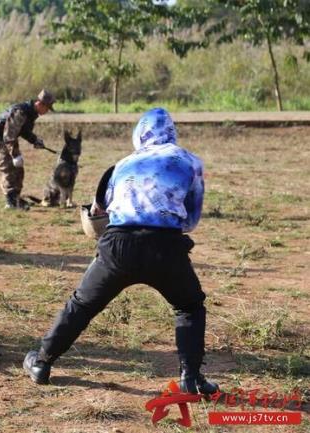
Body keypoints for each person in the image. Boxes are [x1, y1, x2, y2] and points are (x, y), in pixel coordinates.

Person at [23, 108, 219, 395]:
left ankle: (41, 362)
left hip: (118, 246)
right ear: (172, 134)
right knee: (189, 307)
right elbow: (191, 220)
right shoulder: (190, 162)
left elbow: (97, 212)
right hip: (166, 248)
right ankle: (190, 379)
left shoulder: (121, 165)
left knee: (81, 304)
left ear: (139, 135)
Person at [0, 89, 55, 210]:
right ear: (40, 104)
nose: (47, 111)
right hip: (0, 135)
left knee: (19, 169)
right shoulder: (21, 112)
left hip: (9, 136)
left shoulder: (31, 113)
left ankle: (16, 198)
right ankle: (10, 202)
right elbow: (9, 135)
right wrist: (15, 154)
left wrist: (35, 140)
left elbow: (23, 130)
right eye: (47, 108)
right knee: (8, 167)